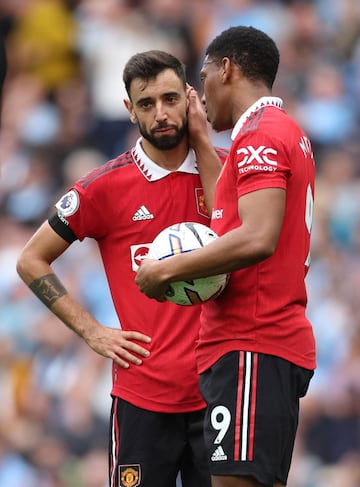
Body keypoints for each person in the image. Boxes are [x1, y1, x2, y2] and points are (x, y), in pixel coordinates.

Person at [16, 50, 228, 487]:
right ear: (130, 110)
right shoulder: (103, 188)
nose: (162, 113)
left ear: (190, 99)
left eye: (171, 98)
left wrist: (205, 142)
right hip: (143, 399)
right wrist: (92, 331)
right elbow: (30, 260)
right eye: (147, 104)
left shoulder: (224, 170)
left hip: (219, 392)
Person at [136, 27, 317, 487]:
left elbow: (257, 237)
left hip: (252, 342)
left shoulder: (260, 135)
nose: (200, 93)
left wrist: (165, 269)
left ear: (227, 69)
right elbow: (229, 217)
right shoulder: (276, 133)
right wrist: (200, 135)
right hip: (262, 345)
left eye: (203, 75)